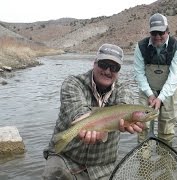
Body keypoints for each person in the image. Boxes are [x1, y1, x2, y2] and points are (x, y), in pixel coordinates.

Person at [42, 43, 144, 179]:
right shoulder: (73, 83)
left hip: (102, 166)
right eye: (103, 64)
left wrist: (127, 118)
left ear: (119, 71)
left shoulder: (123, 89)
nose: (108, 71)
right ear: (94, 63)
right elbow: (77, 110)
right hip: (66, 157)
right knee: (52, 173)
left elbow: (126, 103)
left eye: (114, 67)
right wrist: (88, 123)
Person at [134, 13, 177, 146]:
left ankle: (165, 157)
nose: (157, 37)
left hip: (170, 90)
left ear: (167, 31)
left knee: (167, 128)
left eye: (161, 32)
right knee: (142, 126)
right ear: (150, 32)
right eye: (154, 33)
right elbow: (139, 74)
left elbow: (174, 77)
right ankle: (143, 160)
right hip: (147, 90)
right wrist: (150, 94)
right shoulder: (140, 47)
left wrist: (161, 98)